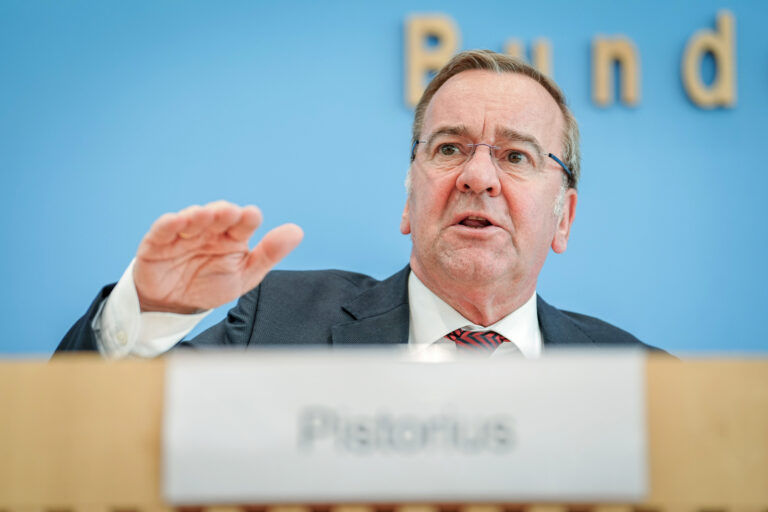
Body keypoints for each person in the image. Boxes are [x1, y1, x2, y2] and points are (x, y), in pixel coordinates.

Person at [57, 49, 660, 357]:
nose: (478, 176)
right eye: (449, 149)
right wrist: (144, 314)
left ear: (565, 217)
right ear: (408, 199)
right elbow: (93, 440)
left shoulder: (640, 377)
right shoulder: (278, 322)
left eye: (516, 156)